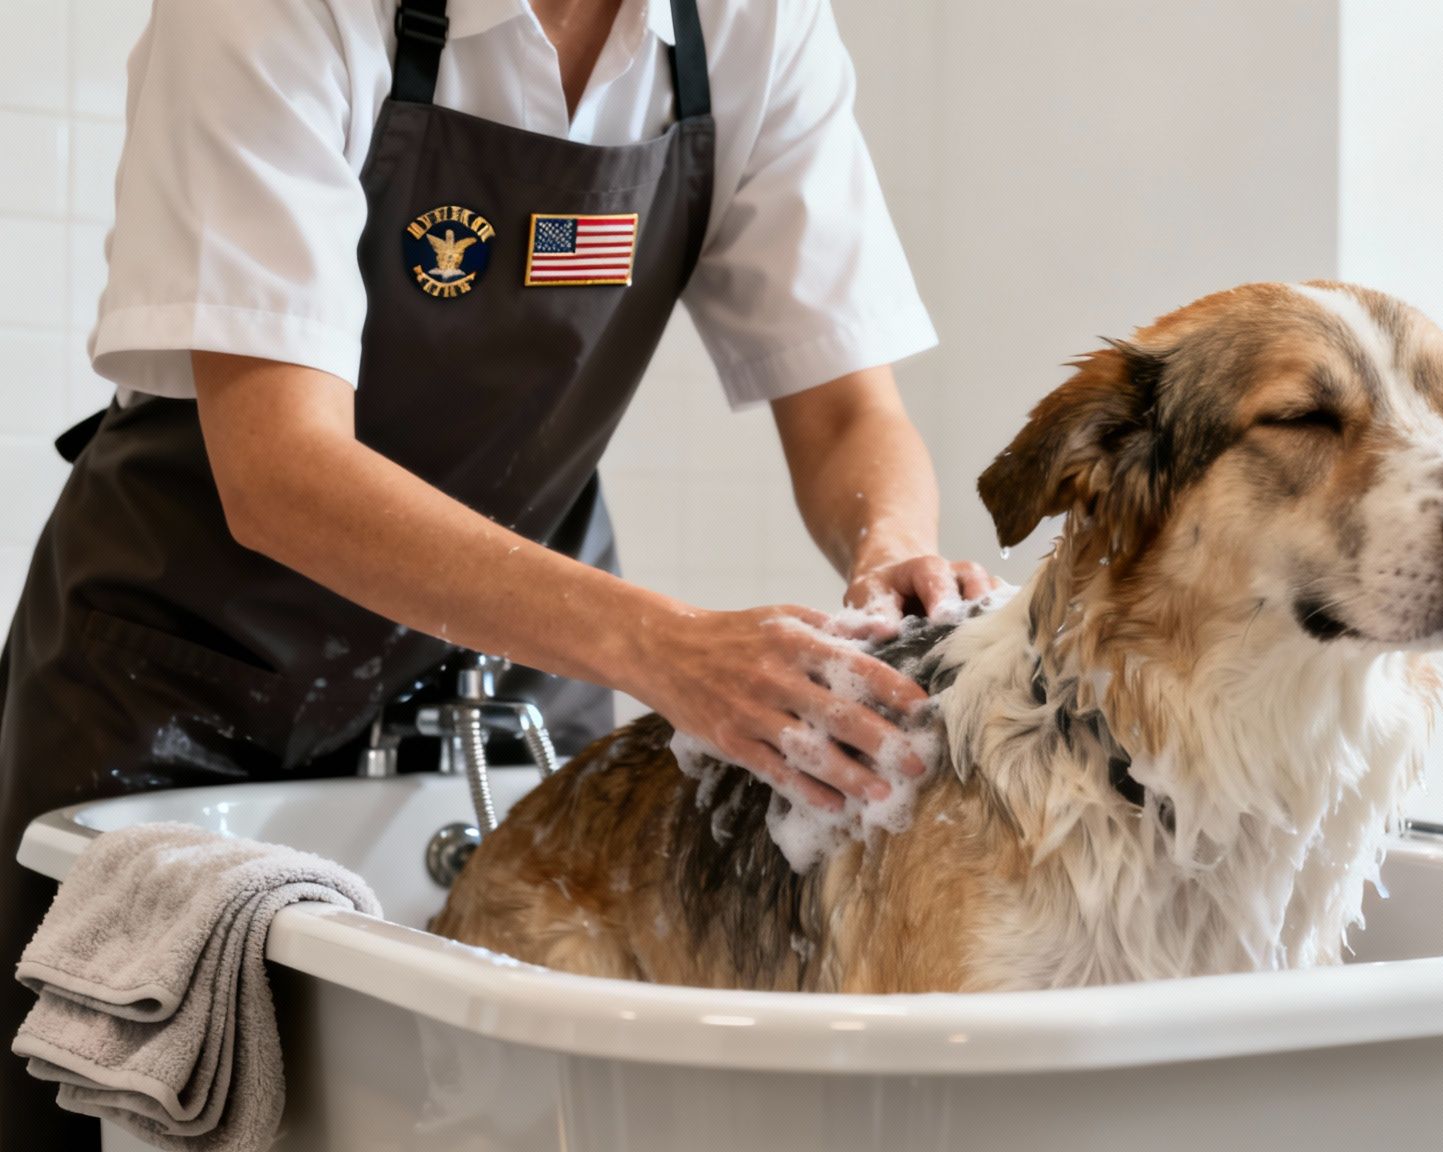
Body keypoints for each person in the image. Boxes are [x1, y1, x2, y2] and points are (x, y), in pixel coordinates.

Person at [0, 0, 988, 1141]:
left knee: (535, 1109)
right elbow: (277, 463)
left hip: (513, 670)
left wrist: (892, 550)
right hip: (188, 674)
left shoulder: (746, 25)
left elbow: (847, 409)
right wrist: (667, 646)